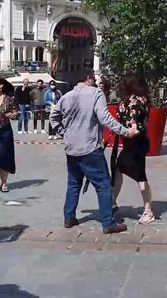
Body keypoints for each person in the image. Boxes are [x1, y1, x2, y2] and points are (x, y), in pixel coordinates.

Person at [50, 73, 139, 234]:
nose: (96, 84)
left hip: (71, 147)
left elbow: (53, 117)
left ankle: (69, 218)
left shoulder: (67, 96)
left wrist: (64, 133)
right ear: (89, 79)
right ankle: (108, 223)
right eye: (95, 81)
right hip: (89, 147)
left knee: (74, 183)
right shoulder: (96, 93)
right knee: (103, 184)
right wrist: (126, 132)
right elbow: (105, 118)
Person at [111, 76, 155, 225]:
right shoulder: (144, 99)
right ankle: (113, 202)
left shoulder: (133, 100)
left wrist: (130, 129)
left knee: (138, 176)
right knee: (120, 170)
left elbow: (133, 122)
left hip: (133, 141)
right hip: (138, 141)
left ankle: (148, 211)